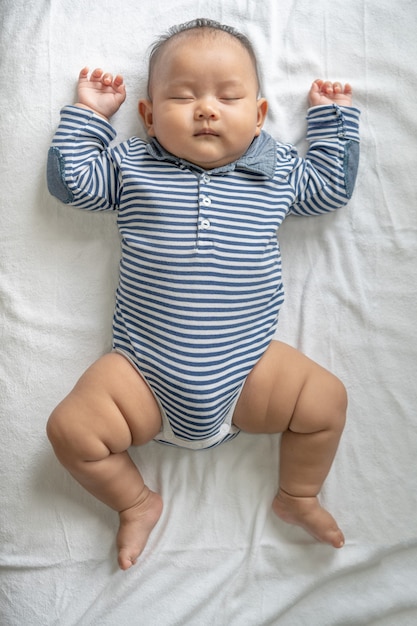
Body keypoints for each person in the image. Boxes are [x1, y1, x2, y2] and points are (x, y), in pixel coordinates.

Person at [46, 18, 360, 570]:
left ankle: (299, 494)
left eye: (229, 96)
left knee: (326, 401)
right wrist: (91, 116)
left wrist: (331, 122)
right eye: (182, 96)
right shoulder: (132, 163)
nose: (206, 109)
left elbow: (329, 190)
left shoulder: (277, 168)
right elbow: (72, 184)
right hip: (142, 372)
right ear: (147, 116)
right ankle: (136, 501)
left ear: (259, 116)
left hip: (247, 369)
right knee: (69, 430)